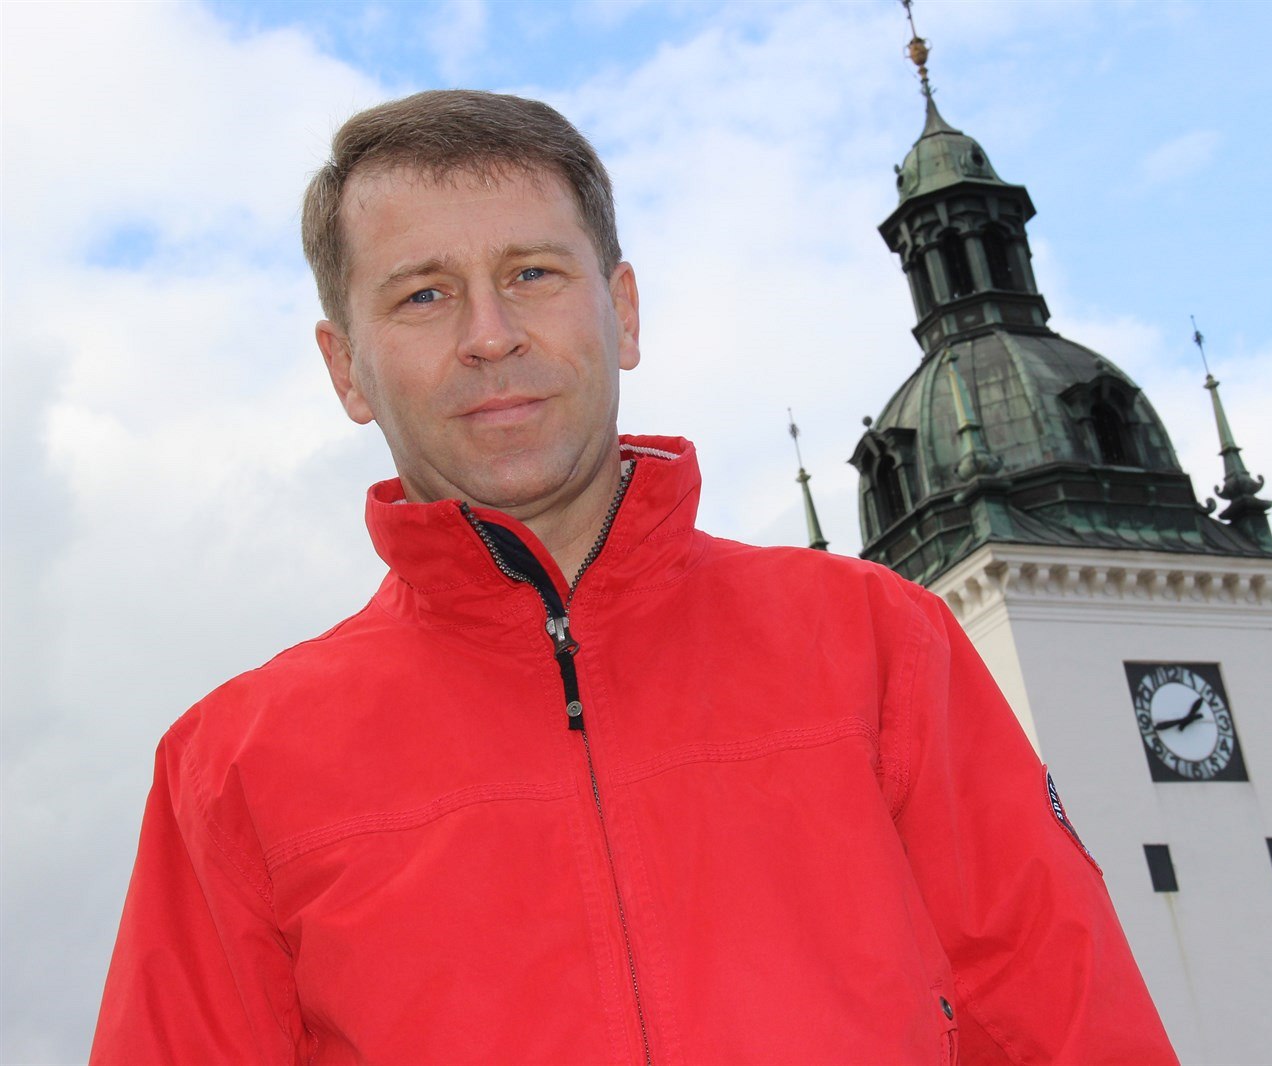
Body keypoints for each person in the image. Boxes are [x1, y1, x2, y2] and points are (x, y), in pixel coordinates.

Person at [91, 90, 1176, 1065]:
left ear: (624, 310)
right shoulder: (229, 769)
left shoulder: (881, 644)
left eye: (532, 274)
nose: (489, 336)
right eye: (423, 295)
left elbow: (1064, 1026)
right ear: (346, 371)